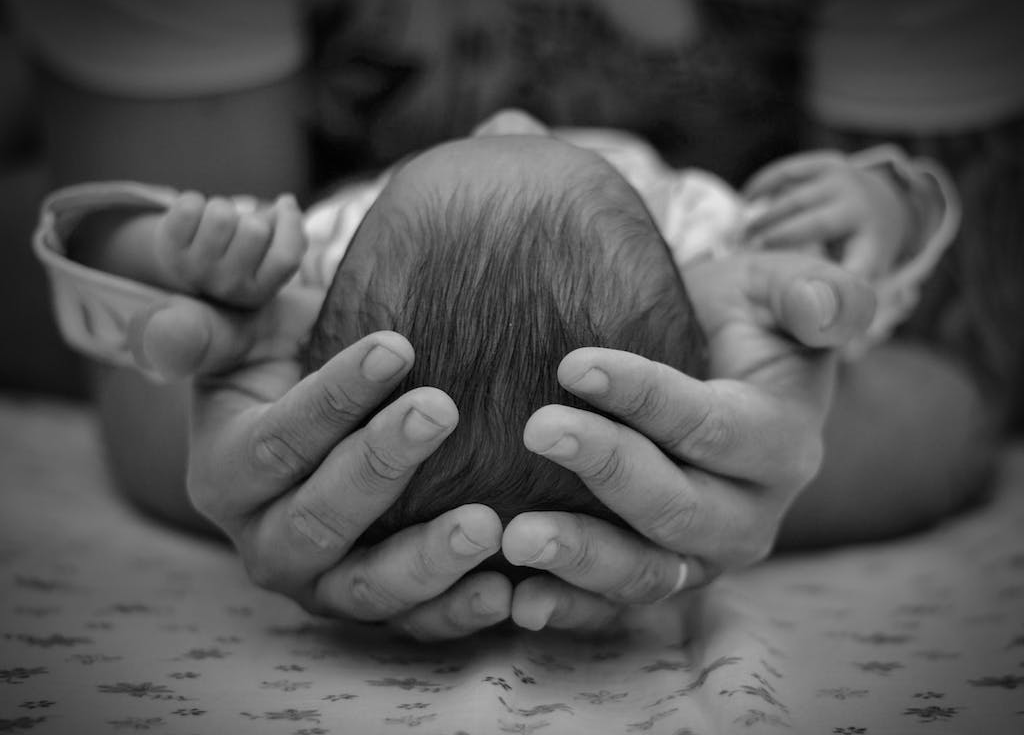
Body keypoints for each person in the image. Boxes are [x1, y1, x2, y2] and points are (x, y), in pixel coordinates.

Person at [47, 113, 979, 636]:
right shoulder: (701, 252)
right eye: (551, 148)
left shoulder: (324, 264)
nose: (512, 114)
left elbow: (94, 266)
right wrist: (886, 205)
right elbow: (879, 299)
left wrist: (169, 253)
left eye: (474, 144)